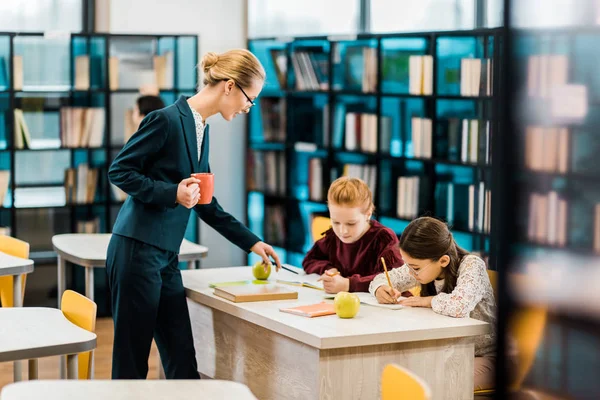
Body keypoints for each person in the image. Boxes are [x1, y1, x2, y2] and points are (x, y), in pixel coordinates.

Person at [107, 49, 281, 379]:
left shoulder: (203, 130)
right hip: (136, 251)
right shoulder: (165, 119)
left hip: (166, 256)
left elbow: (205, 203)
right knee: (131, 364)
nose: (249, 107)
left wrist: (252, 243)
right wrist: (173, 192)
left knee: (182, 358)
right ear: (229, 86)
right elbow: (120, 171)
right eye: (250, 98)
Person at [369, 216, 497, 391]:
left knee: (439, 382)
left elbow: (459, 306)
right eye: (408, 265)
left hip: (489, 356)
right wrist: (380, 288)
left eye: (415, 268)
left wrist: (427, 301)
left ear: (443, 261)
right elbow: (382, 278)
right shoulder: (424, 266)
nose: (410, 272)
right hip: (453, 353)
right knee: (401, 372)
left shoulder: (472, 266)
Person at [302, 177, 404, 294]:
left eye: (351, 223)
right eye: (335, 222)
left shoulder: (384, 238)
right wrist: (330, 269)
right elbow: (309, 260)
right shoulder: (333, 237)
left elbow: (395, 279)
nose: (343, 231)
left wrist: (348, 284)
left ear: (368, 214)